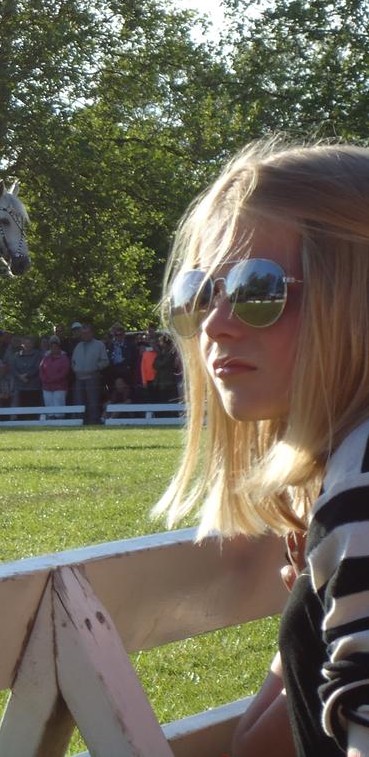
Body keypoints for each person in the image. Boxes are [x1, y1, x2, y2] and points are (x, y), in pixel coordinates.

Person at [154, 140, 369, 757]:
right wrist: (314, 604)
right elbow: (257, 745)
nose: (216, 324)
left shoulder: (360, 499)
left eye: (257, 288)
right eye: (200, 293)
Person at [71, 323, 109, 425]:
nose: (84, 335)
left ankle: (94, 421)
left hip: (93, 377)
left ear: (92, 333)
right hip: (79, 378)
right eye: (83, 333)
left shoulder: (99, 345)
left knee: (93, 402)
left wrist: (95, 367)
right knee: (79, 401)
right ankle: (79, 421)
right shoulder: (78, 346)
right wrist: (75, 369)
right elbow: (73, 361)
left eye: (87, 333)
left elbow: (105, 361)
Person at [39, 336, 71, 417]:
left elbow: (64, 372)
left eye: (55, 346)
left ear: (59, 347)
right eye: (51, 346)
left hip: (59, 387)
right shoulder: (46, 358)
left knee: (58, 405)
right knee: (48, 405)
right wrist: (44, 379)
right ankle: (50, 420)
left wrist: (53, 379)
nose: (53, 348)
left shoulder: (64, 358)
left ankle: (59, 421)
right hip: (46, 387)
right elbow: (41, 369)